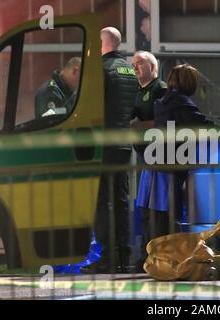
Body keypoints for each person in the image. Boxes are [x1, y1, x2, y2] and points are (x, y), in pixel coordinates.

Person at [85, 27, 138, 274]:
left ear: (100, 43)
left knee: (101, 202)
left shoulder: (100, 69)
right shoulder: (129, 70)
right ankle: (124, 256)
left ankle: (106, 258)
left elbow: (92, 108)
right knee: (121, 200)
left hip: (104, 145)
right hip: (124, 144)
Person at [152, 64, 214, 236]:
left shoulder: (164, 101)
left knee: (162, 215)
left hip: (160, 164)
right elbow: (202, 125)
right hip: (173, 166)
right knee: (172, 214)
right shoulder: (181, 103)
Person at [130, 51, 168, 270]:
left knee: (155, 208)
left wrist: (140, 126)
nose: (135, 67)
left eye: (140, 64)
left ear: (153, 67)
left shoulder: (160, 89)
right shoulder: (138, 91)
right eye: (133, 64)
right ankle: (146, 253)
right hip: (144, 155)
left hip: (158, 157)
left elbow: (165, 121)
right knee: (143, 206)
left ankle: (156, 254)